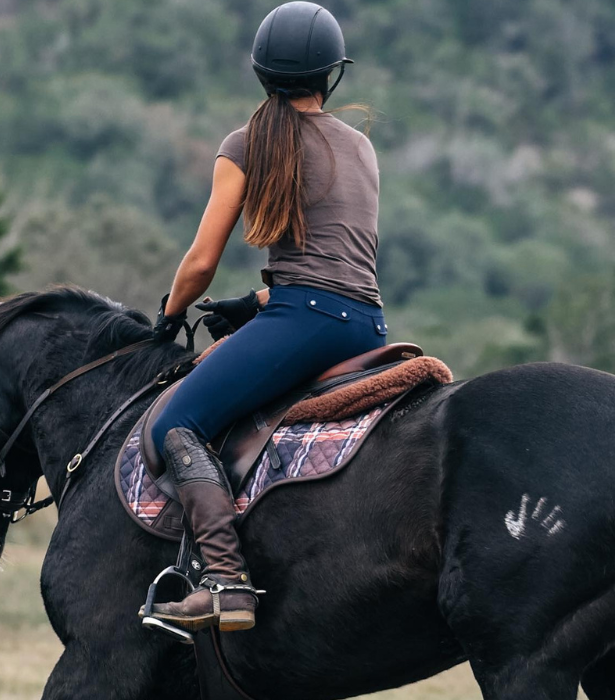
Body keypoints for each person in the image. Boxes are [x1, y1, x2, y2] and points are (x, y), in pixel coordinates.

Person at [148, 1, 386, 633]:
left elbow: (200, 263)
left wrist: (169, 317)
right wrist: (257, 304)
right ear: (330, 74)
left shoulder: (246, 143)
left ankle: (226, 581)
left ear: (260, 72)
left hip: (306, 319)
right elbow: (340, 266)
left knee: (178, 422)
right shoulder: (360, 145)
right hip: (367, 322)